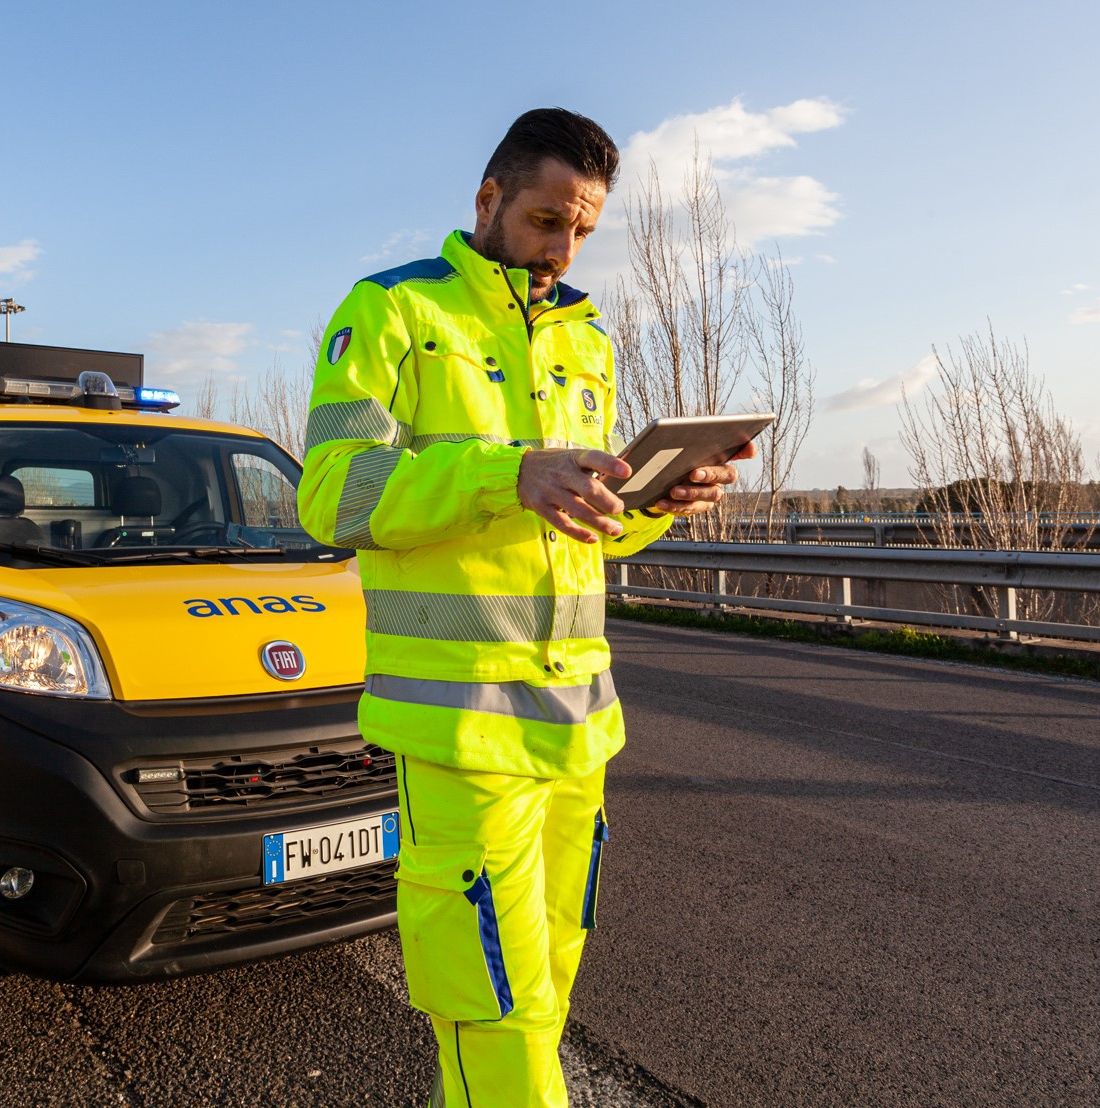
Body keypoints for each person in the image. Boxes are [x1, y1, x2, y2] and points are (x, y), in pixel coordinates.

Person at [297, 107, 754, 1106]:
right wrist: (506, 474)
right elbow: (333, 495)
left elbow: (581, 529)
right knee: (489, 1008)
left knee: (539, 990)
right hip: (461, 733)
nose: (563, 247)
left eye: (583, 230)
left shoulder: (585, 337)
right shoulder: (392, 313)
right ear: (488, 200)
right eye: (548, 220)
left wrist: (655, 505)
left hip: (577, 731)